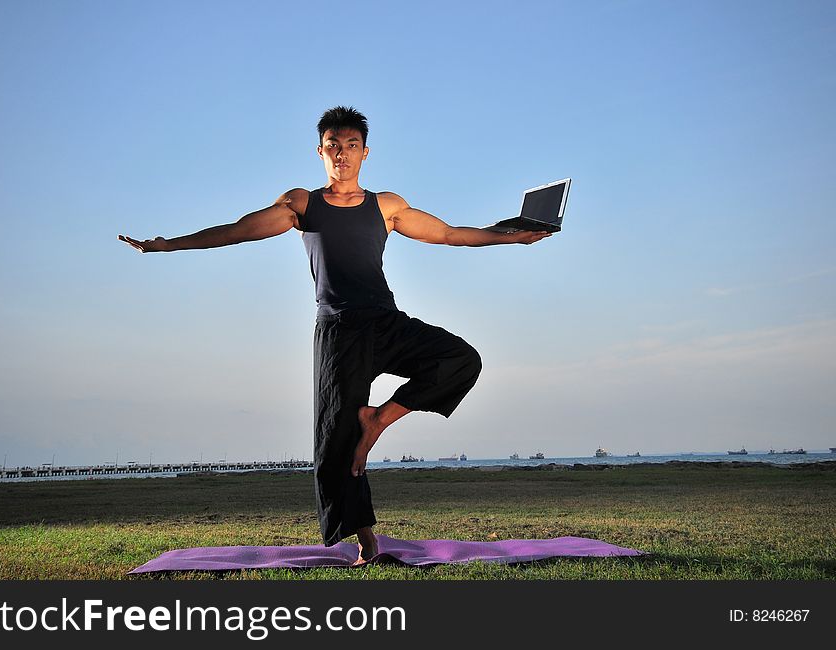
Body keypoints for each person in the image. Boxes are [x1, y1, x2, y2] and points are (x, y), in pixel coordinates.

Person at [119, 106, 550, 564]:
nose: (341, 155)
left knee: (461, 359)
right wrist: (169, 244)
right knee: (335, 439)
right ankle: (367, 542)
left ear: (364, 152)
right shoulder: (302, 204)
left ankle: (379, 420)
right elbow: (235, 232)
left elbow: (447, 234)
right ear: (320, 152)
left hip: (385, 320)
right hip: (338, 332)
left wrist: (511, 237)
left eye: (350, 147)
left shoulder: (387, 206)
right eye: (332, 147)